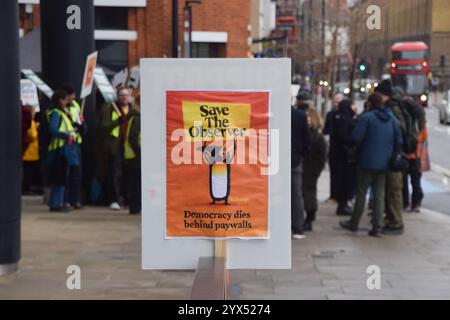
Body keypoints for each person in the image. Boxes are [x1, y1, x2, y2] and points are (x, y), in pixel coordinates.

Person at [340, 93, 402, 237]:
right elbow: (399, 141)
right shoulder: (393, 119)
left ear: (370, 103)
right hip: (384, 163)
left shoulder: (367, 118)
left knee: (361, 193)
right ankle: (377, 227)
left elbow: (356, 138)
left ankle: (354, 222)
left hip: (366, 161)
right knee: (379, 194)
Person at [377, 80, 406, 234]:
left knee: (394, 191)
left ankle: (397, 223)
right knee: (391, 190)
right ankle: (391, 219)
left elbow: (400, 131)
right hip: (391, 154)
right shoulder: (390, 108)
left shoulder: (393, 110)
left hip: (395, 156)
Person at [99, 87, 133, 210]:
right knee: (115, 174)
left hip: (130, 146)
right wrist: (117, 122)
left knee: (128, 174)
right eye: (122, 95)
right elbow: (103, 127)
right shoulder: (110, 109)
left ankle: (127, 198)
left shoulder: (133, 110)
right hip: (115, 146)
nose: (124, 97)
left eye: (126, 95)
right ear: (117, 96)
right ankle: (114, 199)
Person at [46, 90, 79, 212]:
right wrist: (65, 136)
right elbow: (53, 129)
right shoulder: (56, 113)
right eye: (65, 100)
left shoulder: (61, 112)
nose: (67, 103)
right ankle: (56, 204)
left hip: (64, 148)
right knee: (59, 177)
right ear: (60, 100)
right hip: (60, 149)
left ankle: (57, 203)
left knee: (60, 177)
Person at [60, 85, 86, 209]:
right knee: (66, 173)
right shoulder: (60, 108)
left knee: (76, 173)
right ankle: (65, 200)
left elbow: (80, 124)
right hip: (65, 143)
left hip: (75, 142)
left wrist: (81, 123)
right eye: (72, 95)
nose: (74, 97)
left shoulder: (75, 105)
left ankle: (74, 200)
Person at [302, 107, 327, 231]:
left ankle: (310, 217)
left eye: (308, 117)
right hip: (306, 168)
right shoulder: (309, 134)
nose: (306, 119)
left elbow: (321, 157)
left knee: (309, 193)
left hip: (311, 169)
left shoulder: (317, 136)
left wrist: (315, 171)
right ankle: (308, 216)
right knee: (306, 193)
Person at [332, 99, 357, 216]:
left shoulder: (339, 118)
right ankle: (342, 206)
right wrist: (354, 141)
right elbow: (344, 137)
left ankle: (343, 204)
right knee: (344, 181)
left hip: (339, 154)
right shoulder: (344, 120)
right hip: (344, 156)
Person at [402, 98, 427, 212]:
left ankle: (405, 203)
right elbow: (423, 139)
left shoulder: (405, 119)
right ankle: (416, 204)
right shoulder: (420, 121)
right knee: (416, 181)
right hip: (416, 155)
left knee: (403, 181)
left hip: (405, 154)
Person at [291, 105, 311, 239]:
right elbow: (307, 140)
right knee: (296, 195)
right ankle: (298, 228)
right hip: (295, 159)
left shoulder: (272, 111)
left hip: (272, 160)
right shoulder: (299, 115)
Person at [323, 93, 344, 203]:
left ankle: (340, 195)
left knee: (341, 174)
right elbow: (326, 130)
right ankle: (333, 195)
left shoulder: (345, 114)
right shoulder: (330, 114)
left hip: (342, 148)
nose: (336, 104)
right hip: (333, 147)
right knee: (333, 173)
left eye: (338, 102)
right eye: (335, 101)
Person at [123, 95, 141, 215]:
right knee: (136, 184)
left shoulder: (133, 117)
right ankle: (135, 206)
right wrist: (140, 152)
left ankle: (135, 206)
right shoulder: (137, 118)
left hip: (132, 156)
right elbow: (133, 138)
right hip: (136, 156)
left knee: (135, 183)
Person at [22, 106, 40, 194]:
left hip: (30, 151)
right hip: (30, 151)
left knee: (28, 171)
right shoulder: (31, 123)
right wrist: (37, 132)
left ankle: (27, 188)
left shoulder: (32, 123)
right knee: (28, 172)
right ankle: (27, 189)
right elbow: (32, 135)